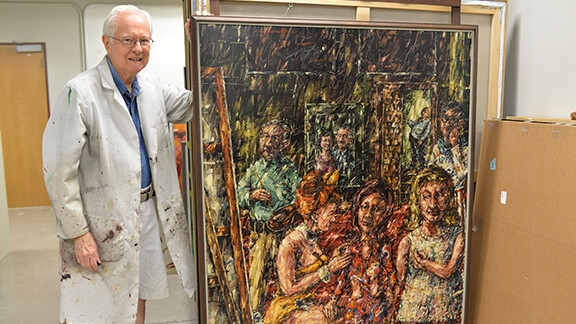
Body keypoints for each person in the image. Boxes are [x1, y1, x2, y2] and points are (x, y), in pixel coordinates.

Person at [42, 5, 196, 323]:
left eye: (144, 40)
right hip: (100, 224)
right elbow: (58, 172)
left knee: (136, 298)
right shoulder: (80, 93)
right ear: (106, 42)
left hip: (147, 212)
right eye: (127, 40)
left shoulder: (152, 87)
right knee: (98, 307)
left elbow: (192, 105)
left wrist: (204, 47)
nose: (137, 48)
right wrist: (78, 234)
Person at [265, 170, 352, 324]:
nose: (334, 218)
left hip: (308, 304)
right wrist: (328, 269)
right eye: (330, 213)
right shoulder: (290, 243)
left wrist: (334, 260)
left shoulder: (313, 240)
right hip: (287, 309)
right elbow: (289, 289)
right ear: (314, 214)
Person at [237, 119, 301, 319]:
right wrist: (251, 196)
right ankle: (255, 317)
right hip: (260, 235)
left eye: (274, 138)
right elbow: (238, 195)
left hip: (283, 235)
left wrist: (286, 212)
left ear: (284, 144)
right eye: (264, 136)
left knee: (285, 279)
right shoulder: (254, 169)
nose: (267, 142)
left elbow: (298, 201)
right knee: (256, 281)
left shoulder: (290, 170)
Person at [395, 166, 465, 324]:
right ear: (418, 201)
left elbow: (447, 271)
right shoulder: (408, 241)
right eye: (426, 197)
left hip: (445, 315)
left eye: (440, 195)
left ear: (449, 199)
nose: (433, 204)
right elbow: (400, 280)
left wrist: (426, 263)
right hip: (412, 316)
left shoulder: (457, 237)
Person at [323, 178, 396, 323]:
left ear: (385, 214)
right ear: (357, 209)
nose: (368, 215)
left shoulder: (384, 248)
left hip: (377, 312)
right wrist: (333, 301)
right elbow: (341, 280)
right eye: (365, 207)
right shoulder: (348, 249)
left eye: (376, 209)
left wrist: (392, 310)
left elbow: (390, 283)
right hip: (353, 311)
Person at [428, 101, 468, 220]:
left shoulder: (464, 149)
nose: (447, 124)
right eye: (444, 119)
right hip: (439, 198)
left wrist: (455, 147)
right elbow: (430, 170)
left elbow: (461, 175)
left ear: (459, 123)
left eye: (452, 120)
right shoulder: (438, 148)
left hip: (456, 199)